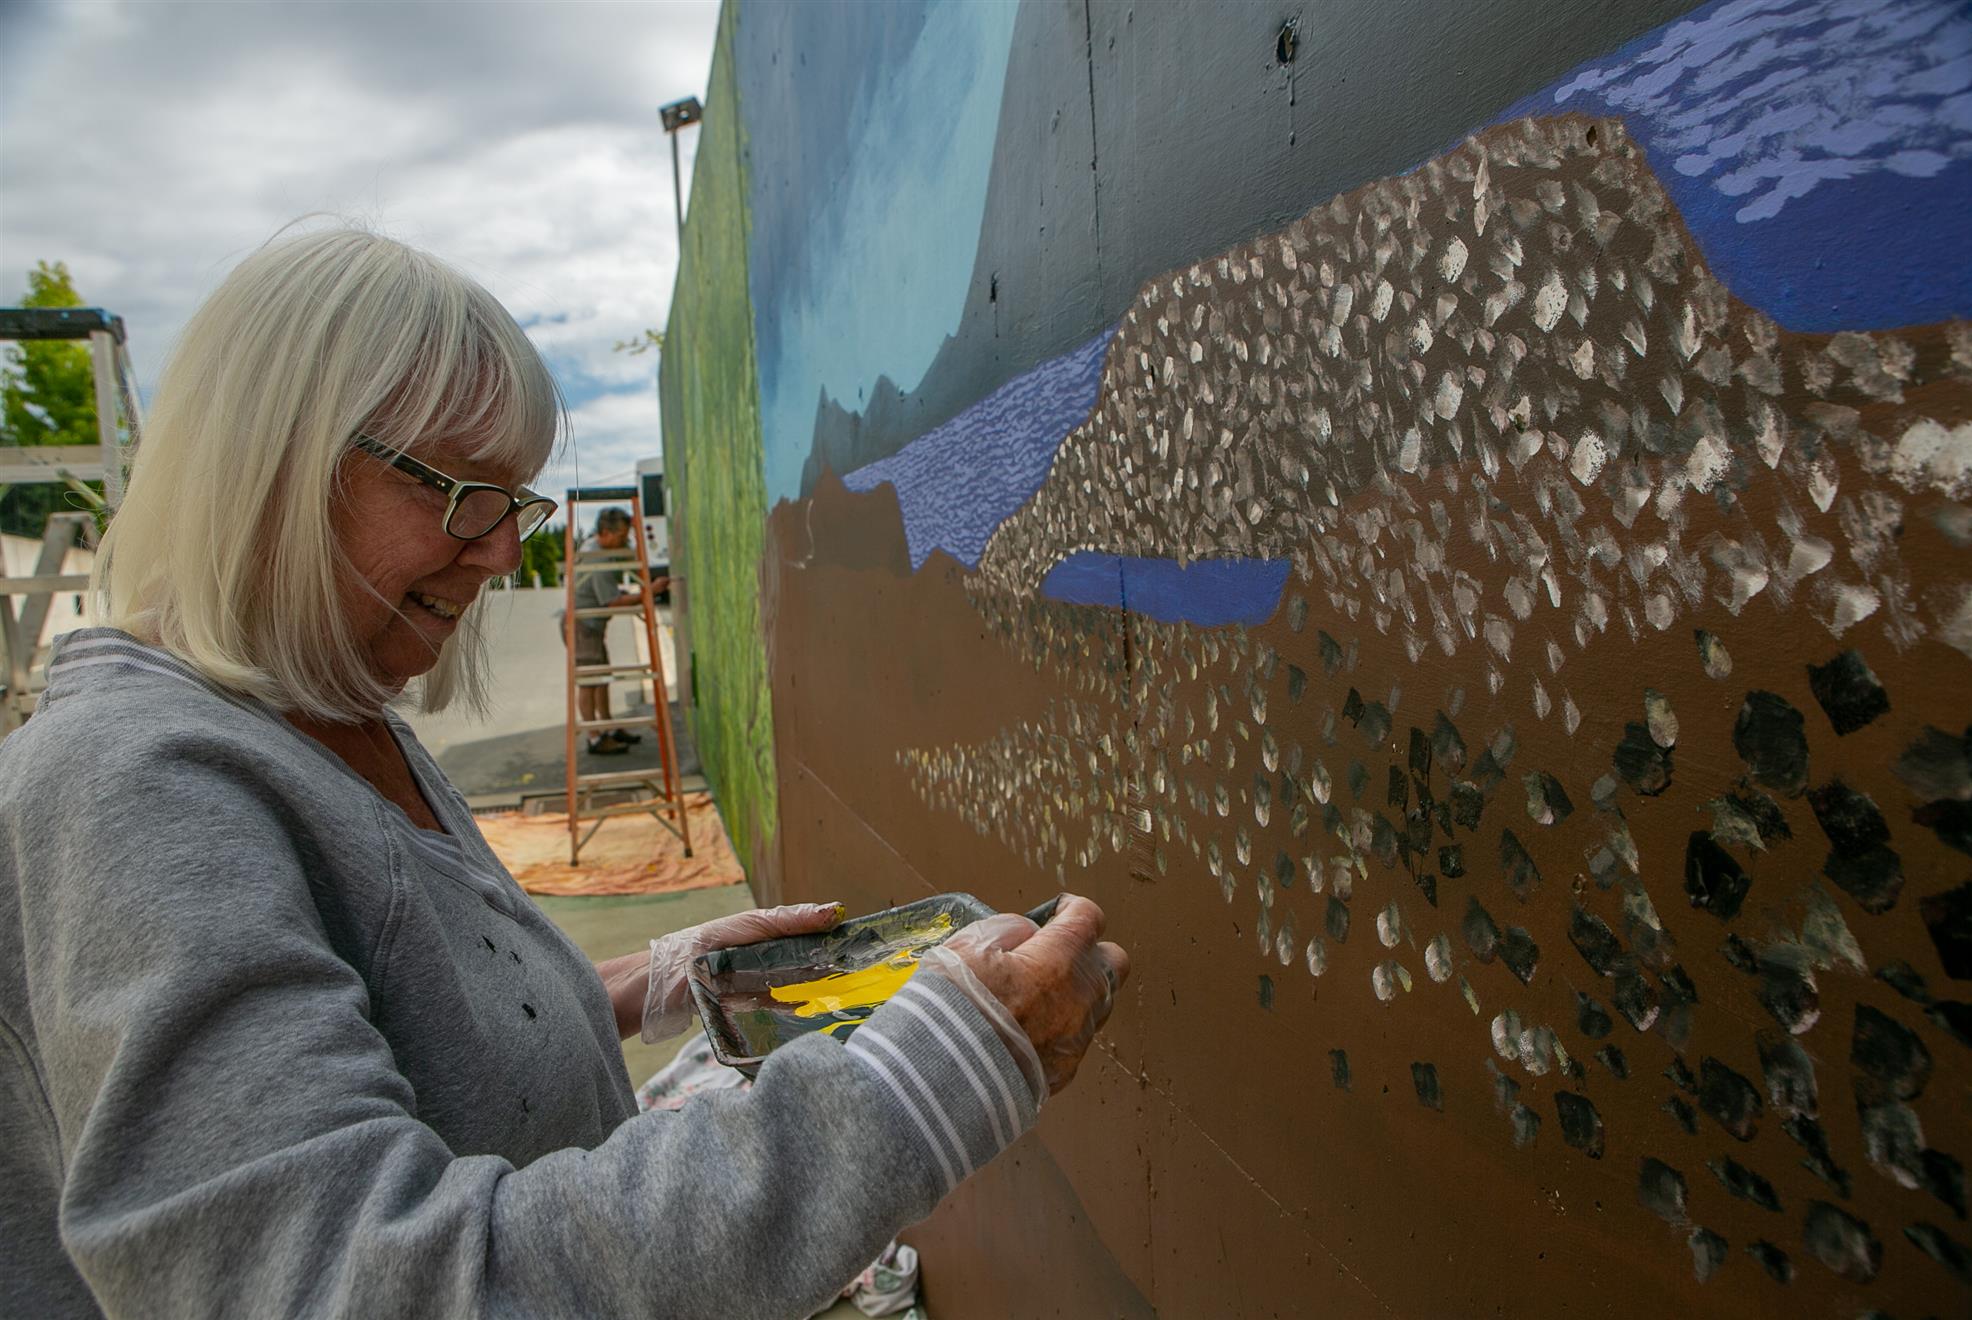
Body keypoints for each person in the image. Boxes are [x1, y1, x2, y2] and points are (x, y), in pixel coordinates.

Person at [0, 225, 1129, 1320]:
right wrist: (914, 1092)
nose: (502, 549)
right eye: (458, 491)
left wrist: (657, 979)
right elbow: (343, 1282)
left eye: (514, 501)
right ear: (276, 463)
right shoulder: (135, 793)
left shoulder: (324, 719)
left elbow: (398, 1041)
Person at [569, 506, 643, 754]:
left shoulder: (597, 547)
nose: (626, 539)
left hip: (591, 625)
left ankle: (608, 728)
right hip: (584, 625)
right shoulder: (597, 557)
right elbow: (611, 601)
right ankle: (595, 738)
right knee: (590, 681)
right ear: (605, 532)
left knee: (601, 679)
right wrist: (649, 592)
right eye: (622, 535)